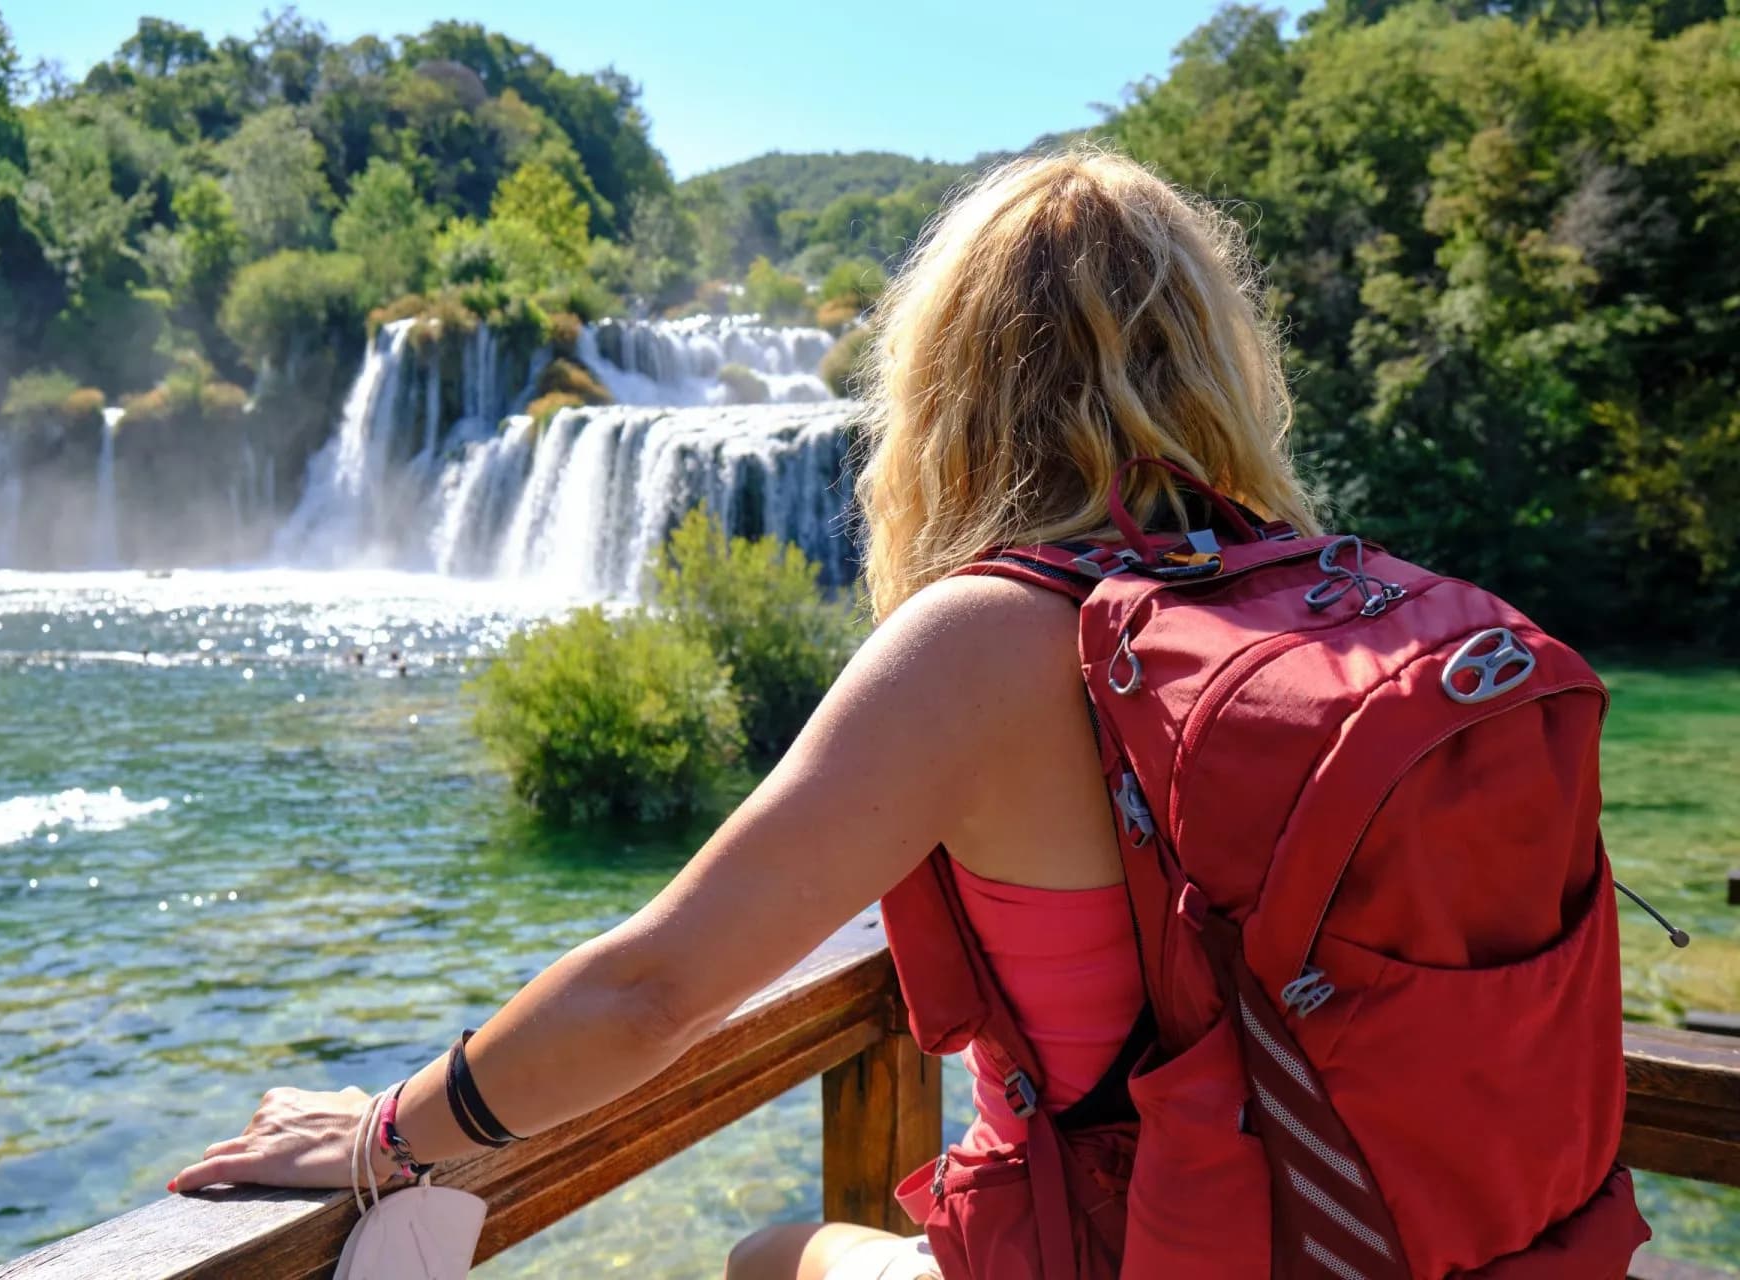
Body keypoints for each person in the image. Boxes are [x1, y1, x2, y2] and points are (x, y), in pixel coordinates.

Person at [171, 147, 1317, 1279]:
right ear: (1223, 366)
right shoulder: (1324, 609)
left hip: (1128, 1244)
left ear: (954, 385)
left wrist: (386, 1134)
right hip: (1364, 1226)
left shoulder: (986, 639)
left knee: (766, 1256)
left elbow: (652, 992)